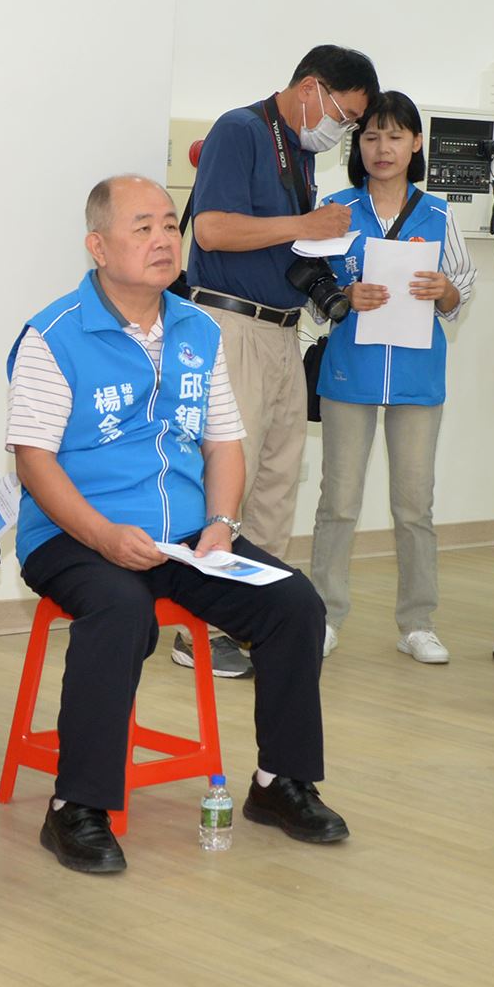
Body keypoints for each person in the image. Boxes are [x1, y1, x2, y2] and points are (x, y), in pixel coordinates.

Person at [10, 174, 349, 875]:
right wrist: (103, 536)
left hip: (188, 538)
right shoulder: (55, 334)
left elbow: (224, 443)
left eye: (170, 224)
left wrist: (221, 524)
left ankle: (280, 782)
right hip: (76, 537)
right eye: (143, 228)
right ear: (98, 246)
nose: (164, 239)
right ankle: (76, 806)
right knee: (120, 609)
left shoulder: (198, 327)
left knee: (293, 602)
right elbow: (34, 461)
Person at [181, 43, 381, 678]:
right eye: (344, 115)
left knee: (275, 480)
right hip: (231, 324)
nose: (343, 129)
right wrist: (304, 224)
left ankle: (252, 618)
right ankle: (199, 628)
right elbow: (211, 230)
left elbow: (287, 246)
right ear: (311, 88)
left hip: (282, 331)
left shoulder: (299, 151)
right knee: (228, 477)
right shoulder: (240, 130)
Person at [311, 91, 473, 662]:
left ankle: (418, 623)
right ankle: (323, 616)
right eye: (372, 136)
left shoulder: (440, 214)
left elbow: (461, 292)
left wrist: (444, 291)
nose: (383, 148)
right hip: (348, 373)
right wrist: (342, 295)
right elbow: (310, 289)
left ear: (416, 143)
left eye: (396, 136)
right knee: (338, 502)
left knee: (413, 506)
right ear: (357, 144)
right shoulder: (334, 209)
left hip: (416, 378)